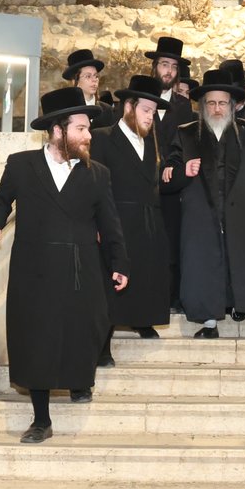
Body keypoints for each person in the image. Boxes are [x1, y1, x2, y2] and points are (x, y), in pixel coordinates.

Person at [0, 87, 129, 443]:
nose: (88, 135)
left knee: (84, 329)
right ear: (58, 130)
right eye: (81, 128)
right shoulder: (22, 165)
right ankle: (41, 420)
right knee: (37, 340)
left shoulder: (98, 173)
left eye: (88, 129)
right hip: (35, 269)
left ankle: (79, 380)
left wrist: (119, 262)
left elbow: (110, 224)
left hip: (81, 269)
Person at [162, 69, 245, 337]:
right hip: (201, 214)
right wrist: (183, 170)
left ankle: (238, 304)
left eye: (222, 103)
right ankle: (209, 321)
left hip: (240, 212)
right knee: (204, 265)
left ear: (232, 105)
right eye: (211, 103)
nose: (217, 109)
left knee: (239, 259)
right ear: (202, 106)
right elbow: (168, 173)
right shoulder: (186, 134)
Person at [91, 75, 171, 359]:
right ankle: (102, 346)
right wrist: (98, 222)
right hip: (116, 220)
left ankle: (142, 320)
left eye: (154, 111)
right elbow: (96, 185)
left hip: (147, 220)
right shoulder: (102, 138)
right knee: (111, 284)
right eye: (146, 110)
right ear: (128, 107)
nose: (151, 117)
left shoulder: (151, 141)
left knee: (145, 274)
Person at [148, 36, 192, 312]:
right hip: (144, 186)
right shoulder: (141, 101)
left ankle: (172, 298)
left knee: (173, 244)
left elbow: (185, 144)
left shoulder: (183, 106)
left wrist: (173, 166)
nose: (169, 71)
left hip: (173, 188)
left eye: (174, 67)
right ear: (154, 67)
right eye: (164, 64)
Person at [62, 48, 115, 128]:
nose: (94, 80)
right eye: (88, 76)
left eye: (96, 76)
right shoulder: (66, 110)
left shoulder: (107, 110)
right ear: (74, 81)